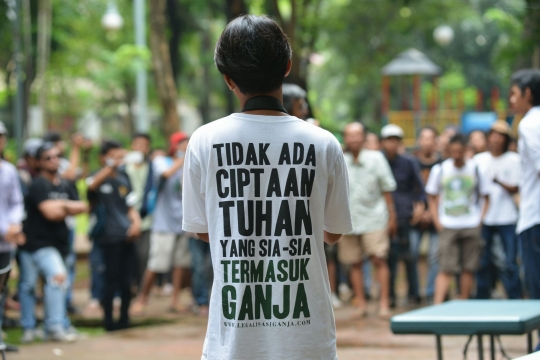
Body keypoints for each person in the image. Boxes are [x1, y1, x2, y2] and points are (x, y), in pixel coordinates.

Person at [182, 15, 353, 360]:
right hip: (307, 342)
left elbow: (204, 230)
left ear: (229, 79)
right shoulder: (323, 143)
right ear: (287, 67)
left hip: (231, 343)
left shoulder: (204, 141)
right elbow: (332, 233)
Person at [19, 142, 88, 343]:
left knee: (58, 282)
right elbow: (49, 213)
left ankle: (56, 324)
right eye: (48, 157)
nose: (54, 160)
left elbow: (83, 207)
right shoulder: (38, 184)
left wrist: (61, 206)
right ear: (39, 162)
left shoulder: (65, 184)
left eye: (57, 156)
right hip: (36, 244)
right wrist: (66, 207)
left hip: (60, 244)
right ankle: (36, 327)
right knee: (32, 285)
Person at [339, 122, 396, 317]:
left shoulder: (376, 158)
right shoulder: (340, 159)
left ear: (364, 137)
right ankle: (361, 304)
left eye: (357, 135)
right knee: (353, 262)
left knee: (378, 258)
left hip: (375, 217)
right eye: (349, 135)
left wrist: (392, 217)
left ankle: (383, 303)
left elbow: (387, 188)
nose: (354, 139)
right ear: (345, 138)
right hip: (348, 219)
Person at [132, 132, 192, 314]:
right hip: (163, 222)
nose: (186, 147)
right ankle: (143, 298)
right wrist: (183, 160)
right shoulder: (161, 161)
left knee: (180, 263)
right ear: (174, 146)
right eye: (182, 144)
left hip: (183, 221)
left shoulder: (189, 164)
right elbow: (165, 175)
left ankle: (175, 300)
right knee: (157, 263)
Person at [426, 134, 489, 304]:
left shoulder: (476, 169)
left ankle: (464, 303)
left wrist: (480, 220)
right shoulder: (440, 169)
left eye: (459, 152)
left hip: (471, 223)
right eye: (452, 152)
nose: (456, 156)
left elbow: (486, 196)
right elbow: (431, 196)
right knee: (446, 266)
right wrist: (437, 221)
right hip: (448, 223)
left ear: (465, 150)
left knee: (469, 267)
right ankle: (438, 305)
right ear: (448, 151)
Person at [86, 140, 141, 331]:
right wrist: (110, 166)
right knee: (110, 280)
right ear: (103, 158)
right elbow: (91, 188)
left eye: (121, 156)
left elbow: (130, 205)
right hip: (109, 237)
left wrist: (136, 223)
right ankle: (108, 322)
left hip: (127, 236)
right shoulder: (97, 177)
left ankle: (125, 320)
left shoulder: (125, 177)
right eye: (114, 156)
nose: (119, 160)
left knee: (127, 281)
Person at [474, 120, 522, 299]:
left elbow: (517, 187)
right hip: (484, 218)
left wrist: (499, 182)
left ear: (506, 139)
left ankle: (515, 297)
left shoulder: (514, 160)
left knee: (509, 262)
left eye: (500, 135)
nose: (495, 139)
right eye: (493, 135)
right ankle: (483, 297)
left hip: (507, 218)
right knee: (483, 261)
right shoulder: (479, 160)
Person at [381, 124, 425, 308]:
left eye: (395, 140)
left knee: (410, 256)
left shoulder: (409, 162)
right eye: (388, 140)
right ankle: (390, 296)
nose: (392, 144)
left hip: (406, 215)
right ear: (383, 142)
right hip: (383, 216)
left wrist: (420, 207)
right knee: (388, 258)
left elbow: (420, 189)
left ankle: (414, 294)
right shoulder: (379, 162)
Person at [511, 70, 540, 311]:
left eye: (513, 93)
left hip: (534, 219)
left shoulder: (530, 124)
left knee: (536, 289)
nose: (511, 100)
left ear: (527, 93)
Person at [0, 121, 25, 352]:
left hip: (5, 243)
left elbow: (16, 202)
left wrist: (14, 224)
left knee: (2, 287)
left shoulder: (8, 170)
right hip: (4, 233)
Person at [410, 126, 441, 303]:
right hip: (416, 216)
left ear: (435, 142)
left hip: (436, 215)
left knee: (434, 256)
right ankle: (415, 293)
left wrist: (431, 211)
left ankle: (430, 292)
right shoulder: (412, 163)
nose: (427, 142)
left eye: (430, 138)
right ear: (419, 141)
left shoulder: (442, 164)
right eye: (423, 138)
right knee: (412, 253)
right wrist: (419, 211)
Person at [124, 133, 154, 290]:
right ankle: (129, 286)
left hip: (146, 218)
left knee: (144, 255)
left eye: (145, 145)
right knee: (129, 255)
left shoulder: (153, 167)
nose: (141, 148)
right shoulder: (124, 167)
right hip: (127, 218)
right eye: (138, 144)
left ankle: (142, 288)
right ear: (132, 146)